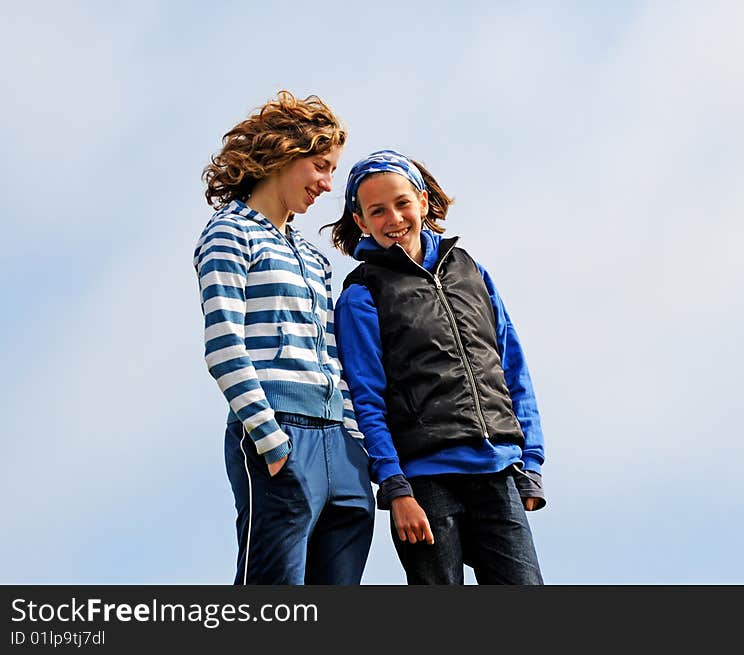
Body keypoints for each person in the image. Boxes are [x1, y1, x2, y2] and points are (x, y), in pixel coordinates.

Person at [323, 149, 546, 584]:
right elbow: (366, 398)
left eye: (402, 203)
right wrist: (395, 487)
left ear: (423, 202)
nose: (394, 218)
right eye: (377, 211)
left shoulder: (471, 271)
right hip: (425, 484)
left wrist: (531, 461)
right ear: (361, 221)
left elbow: (512, 365)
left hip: (498, 471)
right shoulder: (361, 295)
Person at [193, 91, 374, 585]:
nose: (327, 184)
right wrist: (271, 442)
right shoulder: (229, 234)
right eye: (320, 166)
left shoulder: (315, 259)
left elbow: (335, 358)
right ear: (283, 153)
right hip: (279, 433)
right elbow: (224, 346)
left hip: (340, 443)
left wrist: (356, 444)